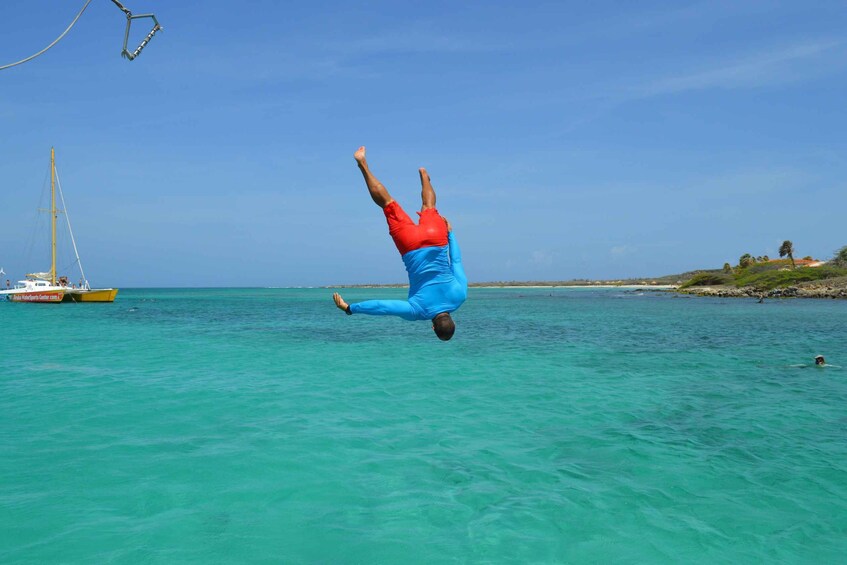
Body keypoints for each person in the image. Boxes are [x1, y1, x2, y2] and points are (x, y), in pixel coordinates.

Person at [332, 146, 467, 341]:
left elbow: (456, 260)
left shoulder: (460, 295)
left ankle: (424, 176)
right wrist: (349, 308)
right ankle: (362, 164)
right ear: (432, 328)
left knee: (430, 207)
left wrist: (451, 235)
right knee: (387, 204)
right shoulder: (417, 311)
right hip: (410, 246)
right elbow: (383, 306)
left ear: (454, 321)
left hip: (437, 240)